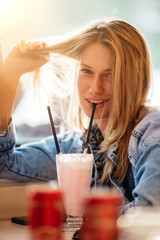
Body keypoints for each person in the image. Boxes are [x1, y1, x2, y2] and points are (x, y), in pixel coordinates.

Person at [0, 18, 160, 214]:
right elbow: (5, 164)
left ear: (133, 80)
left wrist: (88, 217)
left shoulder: (152, 134)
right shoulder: (79, 147)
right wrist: (10, 73)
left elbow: (150, 213)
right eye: (87, 71)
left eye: (109, 75)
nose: (95, 88)